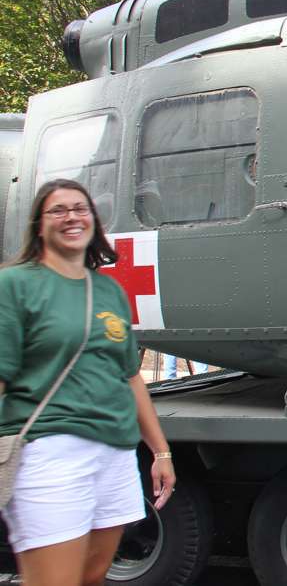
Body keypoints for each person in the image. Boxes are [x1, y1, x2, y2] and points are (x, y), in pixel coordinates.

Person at [0, 179, 175, 585]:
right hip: (49, 450)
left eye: (80, 209)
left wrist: (161, 453)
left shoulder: (108, 289)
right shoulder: (15, 285)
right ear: (38, 225)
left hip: (114, 452)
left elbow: (129, 376)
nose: (72, 217)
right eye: (58, 210)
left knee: (92, 577)